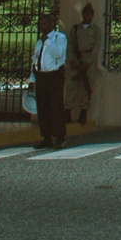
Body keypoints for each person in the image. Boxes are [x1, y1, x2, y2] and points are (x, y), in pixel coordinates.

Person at [31, 13, 69, 149]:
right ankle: (46, 137)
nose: (42, 26)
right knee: (43, 108)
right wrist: (32, 78)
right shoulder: (39, 41)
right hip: (41, 76)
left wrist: (47, 41)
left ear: (52, 24)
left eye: (45, 23)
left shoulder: (59, 38)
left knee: (56, 107)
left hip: (54, 76)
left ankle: (59, 137)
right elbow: (35, 58)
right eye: (40, 24)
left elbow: (59, 53)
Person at [65, 4, 101, 125]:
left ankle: (83, 112)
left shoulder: (96, 30)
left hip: (88, 60)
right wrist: (72, 60)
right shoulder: (75, 29)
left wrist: (88, 62)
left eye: (90, 14)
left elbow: (97, 48)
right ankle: (67, 111)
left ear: (92, 15)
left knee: (87, 86)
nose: (87, 16)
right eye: (86, 13)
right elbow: (70, 45)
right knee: (72, 86)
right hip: (76, 58)